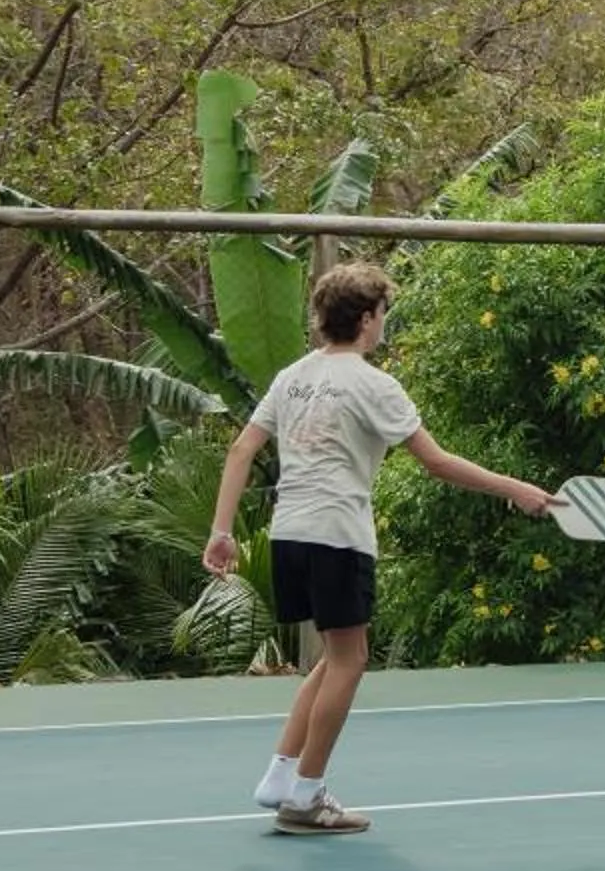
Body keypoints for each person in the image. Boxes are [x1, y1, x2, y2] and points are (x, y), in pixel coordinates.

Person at [205, 261, 556, 834]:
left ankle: (280, 774)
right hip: (337, 535)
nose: (384, 322)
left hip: (289, 533)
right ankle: (307, 795)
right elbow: (436, 461)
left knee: (334, 658)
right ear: (367, 318)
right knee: (351, 660)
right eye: (383, 313)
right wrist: (515, 489)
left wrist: (221, 533)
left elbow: (241, 449)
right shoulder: (374, 384)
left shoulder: (292, 376)